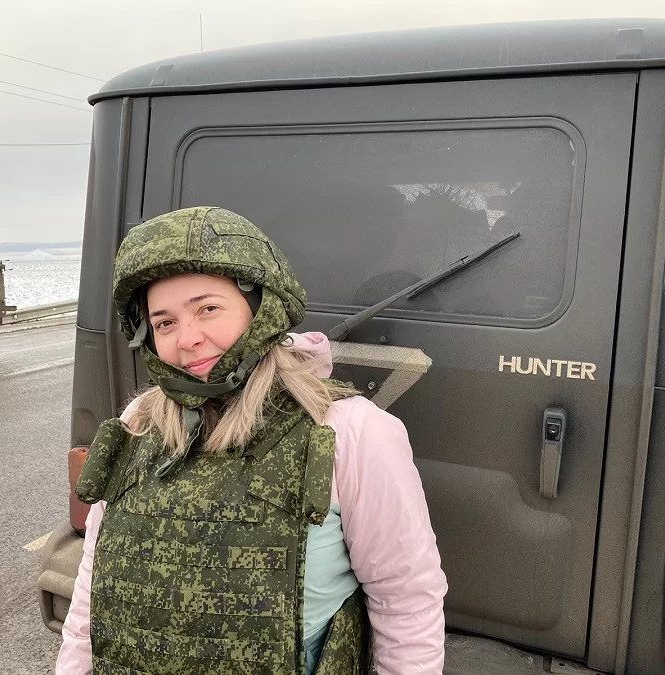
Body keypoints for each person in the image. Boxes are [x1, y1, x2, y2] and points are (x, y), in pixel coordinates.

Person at [56, 206, 447, 674]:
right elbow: (92, 586)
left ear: (261, 310)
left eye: (208, 309)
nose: (187, 338)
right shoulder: (139, 424)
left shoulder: (351, 431)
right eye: (164, 323)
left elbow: (406, 601)